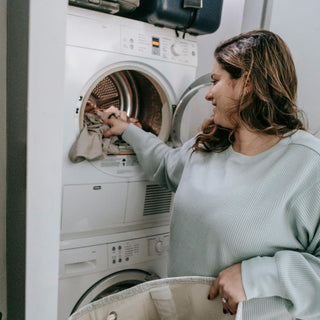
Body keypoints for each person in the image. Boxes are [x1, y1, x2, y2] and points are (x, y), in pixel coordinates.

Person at [104, 30, 320, 319]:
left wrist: (257, 275)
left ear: (248, 83)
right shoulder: (208, 146)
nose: (208, 93)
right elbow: (166, 165)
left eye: (216, 81)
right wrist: (129, 131)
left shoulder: (308, 164)